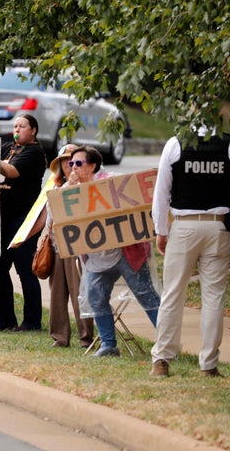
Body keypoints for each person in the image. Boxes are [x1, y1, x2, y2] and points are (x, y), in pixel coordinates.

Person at [149, 127, 230, 377]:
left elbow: (161, 193)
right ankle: (208, 364)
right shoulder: (227, 145)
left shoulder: (176, 143)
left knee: (173, 294)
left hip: (184, 226)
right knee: (214, 298)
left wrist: (160, 230)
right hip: (218, 225)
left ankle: (162, 360)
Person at [66, 146, 160, 357]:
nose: (73, 168)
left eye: (78, 164)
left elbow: (134, 193)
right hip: (96, 259)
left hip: (126, 253)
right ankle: (109, 345)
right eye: (71, 164)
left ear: (92, 166)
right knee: (95, 296)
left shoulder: (112, 181)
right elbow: (60, 216)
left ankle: (166, 342)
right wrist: (69, 190)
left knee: (146, 295)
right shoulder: (69, 190)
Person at [0, 114, 47, 331]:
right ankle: (5, 319)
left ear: (33, 130)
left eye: (23, 126)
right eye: (15, 125)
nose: (17, 129)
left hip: (23, 219)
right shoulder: (8, 147)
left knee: (24, 269)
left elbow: (11, 171)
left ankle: (31, 322)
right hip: (2, 217)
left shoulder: (34, 152)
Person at [45, 144, 95, 348]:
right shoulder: (55, 187)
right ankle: (60, 336)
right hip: (57, 246)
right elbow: (52, 211)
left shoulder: (88, 185)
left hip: (78, 248)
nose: (70, 165)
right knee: (57, 295)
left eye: (74, 161)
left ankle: (86, 337)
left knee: (80, 294)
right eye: (66, 161)